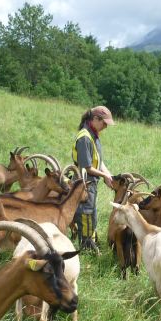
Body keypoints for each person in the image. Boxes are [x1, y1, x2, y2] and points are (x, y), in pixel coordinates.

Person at [72, 106, 115, 252]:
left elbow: (98, 160)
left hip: (91, 183)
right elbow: (87, 167)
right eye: (104, 123)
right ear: (95, 119)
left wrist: (108, 174)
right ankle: (86, 249)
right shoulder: (85, 137)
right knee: (86, 215)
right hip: (84, 185)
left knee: (92, 215)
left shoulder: (93, 134)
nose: (105, 127)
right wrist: (103, 175)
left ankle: (92, 245)